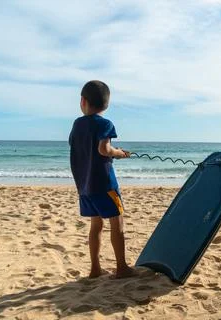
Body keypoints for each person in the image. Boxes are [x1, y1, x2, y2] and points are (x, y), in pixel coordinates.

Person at [69, 80, 136, 278]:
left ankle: (95, 269)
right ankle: (122, 267)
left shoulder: (77, 124)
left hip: (85, 186)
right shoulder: (105, 124)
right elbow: (103, 149)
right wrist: (119, 153)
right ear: (106, 104)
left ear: (83, 101)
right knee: (118, 223)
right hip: (105, 185)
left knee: (95, 225)